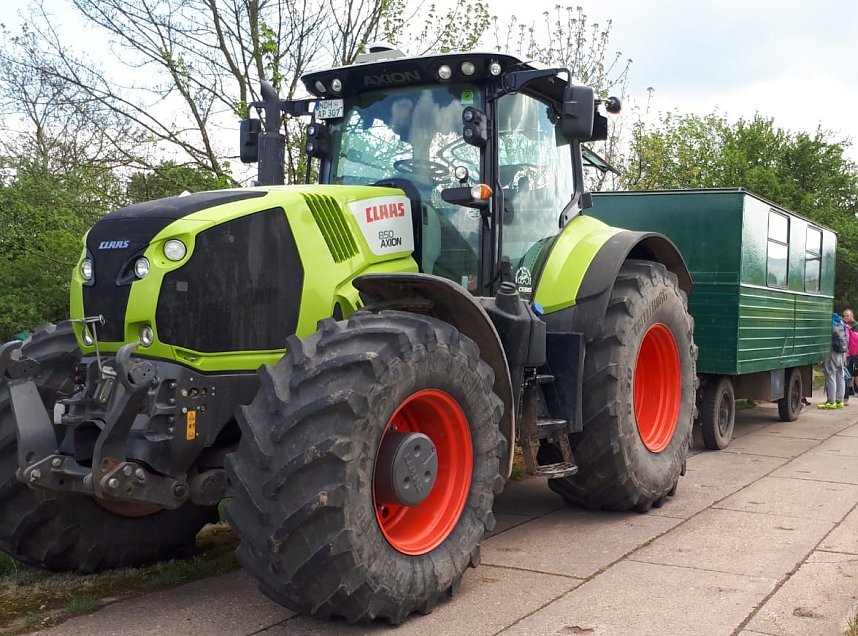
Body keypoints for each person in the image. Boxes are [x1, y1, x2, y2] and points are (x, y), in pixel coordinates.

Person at [819, 312, 849, 409]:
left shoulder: (829, 324)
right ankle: (840, 401)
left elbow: (824, 340)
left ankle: (831, 402)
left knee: (831, 375)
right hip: (842, 353)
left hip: (832, 352)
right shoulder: (842, 324)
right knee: (840, 375)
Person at [843, 308, 858, 403]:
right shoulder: (846, 326)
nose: (846, 317)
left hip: (855, 352)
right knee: (851, 373)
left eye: (848, 316)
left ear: (852, 316)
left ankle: (850, 391)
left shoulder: (855, 326)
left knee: (854, 373)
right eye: (844, 316)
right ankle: (850, 390)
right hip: (849, 353)